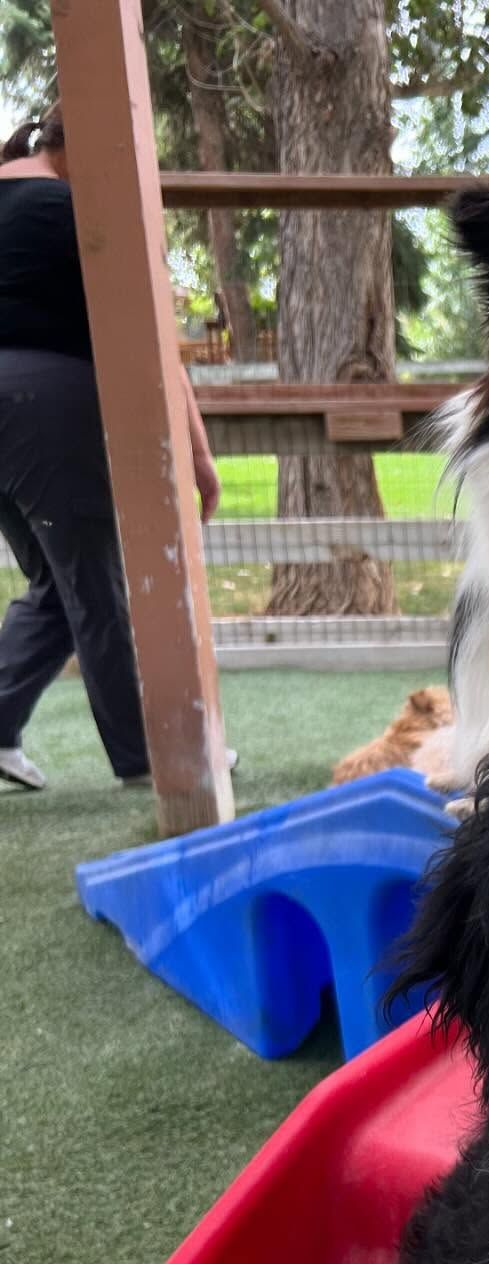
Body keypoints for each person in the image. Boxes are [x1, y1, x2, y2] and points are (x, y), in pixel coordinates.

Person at [0, 105, 225, 793]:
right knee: (97, 583)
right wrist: (198, 455)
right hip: (40, 403)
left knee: (57, 583)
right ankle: (153, 755)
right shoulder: (78, 210)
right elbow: (151, 337)